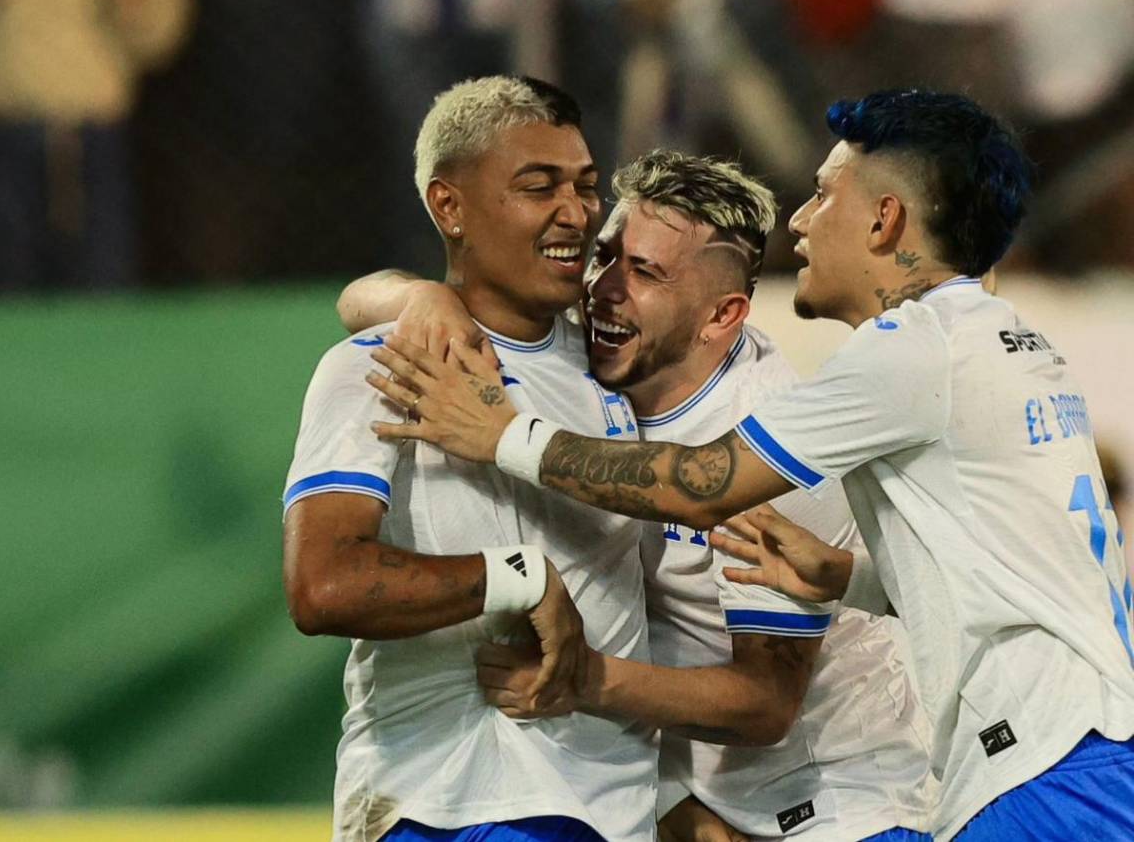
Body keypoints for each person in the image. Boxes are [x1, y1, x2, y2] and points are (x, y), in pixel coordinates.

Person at [365, 90, 1134, 841]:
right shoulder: (990, 339)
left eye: (824, 195)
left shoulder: (900, 356)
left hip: (1008, 771)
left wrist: (502, 436)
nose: (801, 220)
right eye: (609, 258)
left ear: (885, 217)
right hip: (1065, 748)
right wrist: (424, 299)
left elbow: (694, 488)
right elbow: (998, 561)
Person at [348, 150, 935, 840]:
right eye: (606, 256)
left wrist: (580, 678)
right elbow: (357, 298)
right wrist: (429, 300)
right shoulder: (583, 355)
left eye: (646, 272)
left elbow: (766, 702)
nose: (603, 289)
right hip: (682, 784)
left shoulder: (774, 449)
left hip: (835, 799)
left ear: (722, 316)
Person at [283, 75, 658, 842]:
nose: (575, 213)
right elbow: (322, 585)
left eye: (586, 187)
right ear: (448, 207)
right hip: (454, 803)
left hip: (618, 810)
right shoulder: (381, 366)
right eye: (538, 186)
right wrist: (512, 576)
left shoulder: (622, 363)